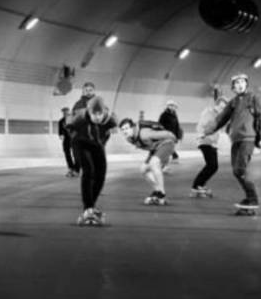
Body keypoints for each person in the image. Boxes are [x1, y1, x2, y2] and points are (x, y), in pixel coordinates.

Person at [203, 73, 261, 211]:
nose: (240, 84)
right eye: (237, 83)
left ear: (246, 84)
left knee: (240, 169)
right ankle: (249, 197)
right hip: (236, 139)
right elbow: (221, 118)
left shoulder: (253, 98)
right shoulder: (233, 102)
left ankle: (253, 199)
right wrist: (207, 131)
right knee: (236, 171)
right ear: (233, 87)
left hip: (248, 138)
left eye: (243, 82)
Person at [66, 96, 118, 225]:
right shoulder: (80, 117)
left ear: (104, 112)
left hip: (97, 144)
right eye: (94, 114)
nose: (97, 117)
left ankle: (90, 207)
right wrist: (75, 143)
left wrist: (102, 142)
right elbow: (69, 128)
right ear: (89, 111)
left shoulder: (110, 119)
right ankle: (88, 208)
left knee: (101, 174)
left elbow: (110, 132)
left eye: (100, 114)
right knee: (88, 171)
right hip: (80, 142)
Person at [119, 118, 178, 205]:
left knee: (154, 163)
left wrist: (174, 140)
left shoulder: (144, 134)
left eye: (127, 128)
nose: (125, 131)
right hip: (155, 148)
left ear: (133, 128)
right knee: (143, 169)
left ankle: (162, 193)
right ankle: (157, 190)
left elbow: (166, 134)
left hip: (167, 143)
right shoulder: (129, 139)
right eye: (122, 129)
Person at [192, 97, 228, 197]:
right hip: (205, 140)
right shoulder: (209, 112)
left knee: (213, 166)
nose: (222, 109)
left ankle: (199, 185)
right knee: (212, 165)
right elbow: (201, 125)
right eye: (221, 106)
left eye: (224, 107)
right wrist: (202, 134)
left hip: (212, 142)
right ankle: (197, 186)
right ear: (217, 104)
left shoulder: (220, 115)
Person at [58, 107, 79, 177]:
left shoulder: (73, 119)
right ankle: (71, 168)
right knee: (67, 153)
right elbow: (60, 131)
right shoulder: (61, 121)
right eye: (63, 112)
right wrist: (60, 135)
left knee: (76, 154)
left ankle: (77, 169)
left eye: (66, 111)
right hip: (66, 139)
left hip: (74, 138)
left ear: (68, 112)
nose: (65, 113)